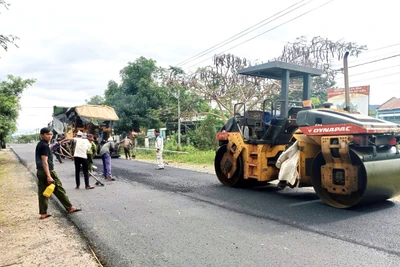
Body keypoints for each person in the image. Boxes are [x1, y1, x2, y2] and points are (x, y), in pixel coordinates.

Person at [35, 127, 81, 220]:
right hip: (47, 171)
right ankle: (69, 207)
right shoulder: (44, 146)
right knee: (58, 189)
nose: (50, 136)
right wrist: (48, 175)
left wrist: (59, 143)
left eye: (51, 134)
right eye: (47, 134)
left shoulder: (41, 144)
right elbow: (45, 162)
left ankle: (43, 213)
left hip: (40, 171)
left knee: (43, 192)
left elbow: (52, 148)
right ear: (42, 135)